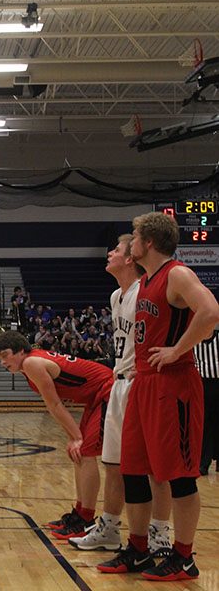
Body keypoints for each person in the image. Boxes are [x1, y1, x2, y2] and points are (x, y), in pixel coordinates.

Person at [97, 212, 219, 581]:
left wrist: (176, 349)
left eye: (133, 237)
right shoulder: (146, 281)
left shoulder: (176, 274)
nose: (129, 244)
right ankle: (137, 549)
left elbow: (211, 311)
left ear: (147, 242)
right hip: (145, 383)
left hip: (175, 385)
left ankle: (183, 556)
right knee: (134, 469)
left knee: (180, 475)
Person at [70, 235, 172, 556]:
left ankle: (159, 536)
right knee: (112, 463)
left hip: (143, 385)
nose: (109, 253)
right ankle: (110, 528)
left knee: (153, 469)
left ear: (130, 258)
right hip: (120, 383)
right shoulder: (117, 296)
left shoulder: (147, 291)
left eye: (115, 249)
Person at [0, 330, 113, 539]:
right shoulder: (29, 364)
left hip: (107, 389)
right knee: (78, 454)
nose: (2, 362)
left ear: (21, 351)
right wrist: (72, 436)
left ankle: (86, 519)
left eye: (5, 355)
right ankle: (80, 512)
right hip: (95, 395)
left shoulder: (32, 364)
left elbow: (55, 404)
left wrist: (76, 437)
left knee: (84, 452)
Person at [194, 330, 219, 476]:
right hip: (201, 385)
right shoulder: (194, 341)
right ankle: (203, 463)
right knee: (204, 425)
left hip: (217, 383)